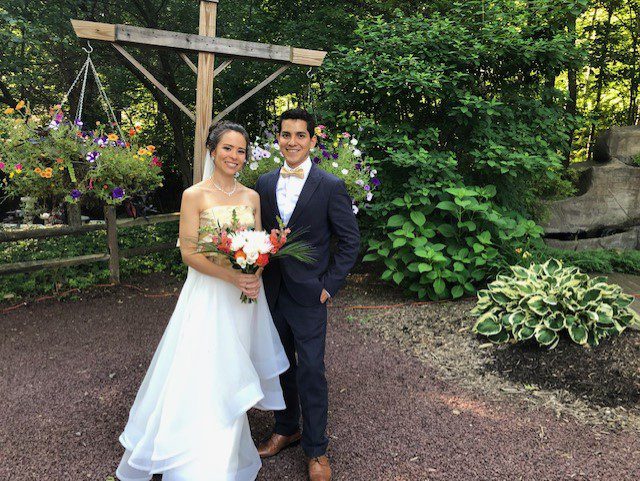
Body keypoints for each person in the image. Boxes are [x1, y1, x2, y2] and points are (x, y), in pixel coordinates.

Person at [115, 122, 289, 481]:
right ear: (212, 151)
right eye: (227, 148)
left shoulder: (251, 197)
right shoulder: (194, 195)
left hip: (244, 297)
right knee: (206, 365)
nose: (234, 157)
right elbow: (189, 254)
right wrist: (232, 277)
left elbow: (258, 245)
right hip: (209, 292)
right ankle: (198, 453)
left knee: (234, 365)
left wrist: (254, 276)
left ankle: (226, 447)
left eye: (241, 151)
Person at [255, 109, 360, 481]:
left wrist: (328, 285)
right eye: (286, 135)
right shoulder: (264, 183)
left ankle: (317, 450)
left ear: (313, 141)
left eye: (301, 135)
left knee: (312, 370)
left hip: (310, 295)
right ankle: (286, 428)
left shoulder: (330, 185)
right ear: (278, 139)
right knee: (280, 365)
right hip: (273, 291)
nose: (293, 142)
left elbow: (350, 241)